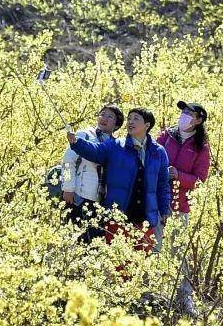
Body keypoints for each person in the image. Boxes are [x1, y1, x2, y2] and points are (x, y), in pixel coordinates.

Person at [66, 107, 170, 254]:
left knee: (141, 262)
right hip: (119, 213)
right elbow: (95, 151)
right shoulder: (116, 145)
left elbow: (162, 183)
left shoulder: (158, 152)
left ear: (147, 125)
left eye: (136, 119)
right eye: (129, 118)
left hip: (146, 215)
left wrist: (164, 208)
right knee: (117, 262)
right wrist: (77, 143)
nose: (131, 122)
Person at [156, 101, 211, 315]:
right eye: (183, 112)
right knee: (153, 247)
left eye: (189, 113)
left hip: (180, 205)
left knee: (178, 252)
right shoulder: (166, 136)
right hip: (157, 199)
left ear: (198, 120)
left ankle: (184, 299)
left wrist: (179, 176)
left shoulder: (201, 147)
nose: (184, 116)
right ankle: (148, 294)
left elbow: (200, 180)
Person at [60, 105, 121, 238]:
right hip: (77, 196)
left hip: (100, 201)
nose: (104, 118)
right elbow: (67, 161)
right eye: (102, 114)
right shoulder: (85, 134)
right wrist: (68, 188)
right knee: (74, 236)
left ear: (116, 125)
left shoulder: (116, 145)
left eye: (110, 116)